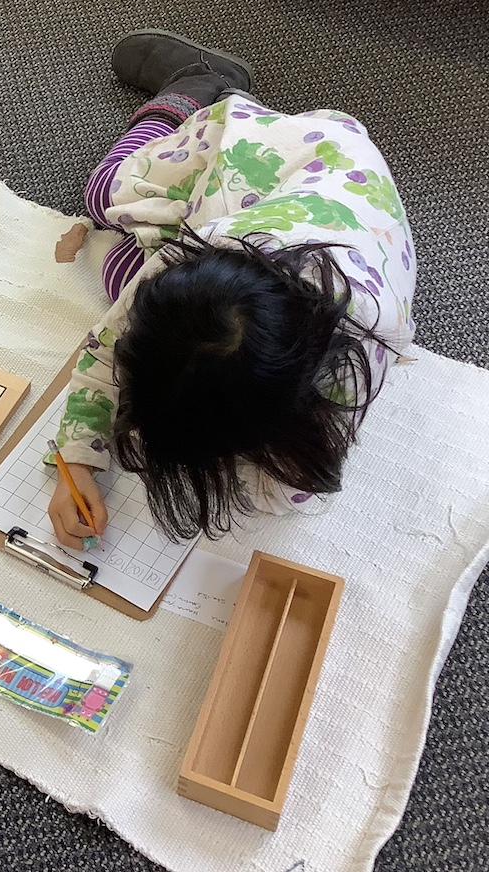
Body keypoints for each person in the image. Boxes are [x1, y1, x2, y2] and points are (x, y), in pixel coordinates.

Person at [47, 30, 415, 549]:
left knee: (107, 229)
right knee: (108, 226)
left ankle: (197, 89)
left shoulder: (358, 353)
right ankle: (199, 90)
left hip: (295, 181)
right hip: (258, 183)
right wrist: (77, 460)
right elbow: (103, 350)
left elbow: (291, 490)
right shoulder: (184, 272)